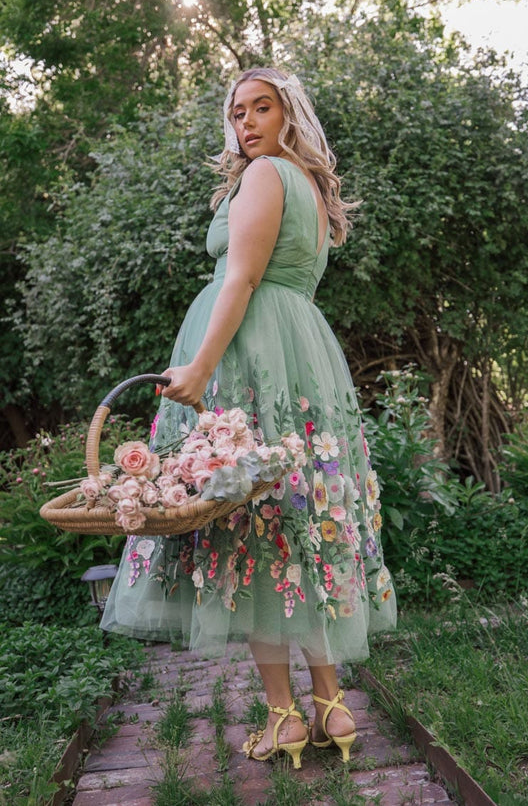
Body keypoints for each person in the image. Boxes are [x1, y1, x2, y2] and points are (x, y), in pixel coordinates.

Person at [101, 67, 396, 768]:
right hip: (301, 351)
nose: (247, 122)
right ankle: (331, 706)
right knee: (304, 520)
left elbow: (241, 277)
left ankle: (284, 717)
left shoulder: (265, 174)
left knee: (252, 521)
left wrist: (200, 367)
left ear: (290, 112)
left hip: (249, 356)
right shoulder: (312, 190)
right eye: (237, 112)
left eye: (262, 107)